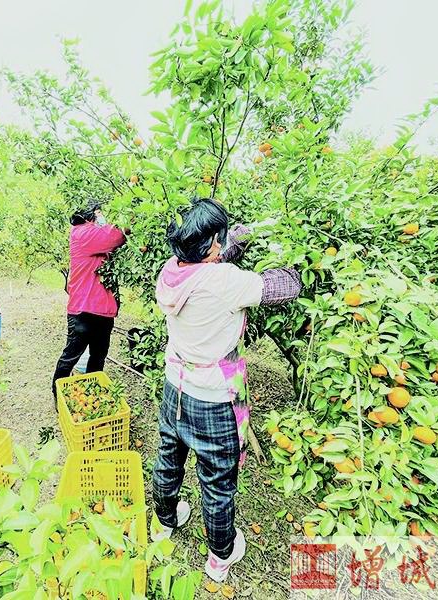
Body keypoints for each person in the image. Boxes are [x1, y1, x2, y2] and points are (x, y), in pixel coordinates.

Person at [151, 198, 302, 583]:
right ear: (213, 245)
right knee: (217, 482)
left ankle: (164, 522)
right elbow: (284, 286)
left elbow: (214, 261)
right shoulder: (224, 282)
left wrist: (243, 235)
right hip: (213, 399)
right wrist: (301, 258)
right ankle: (220, 557)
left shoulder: (171, 272)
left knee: (169, 458)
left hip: (175, 388)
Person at [52, 201, 126, 401]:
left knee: (98, 357)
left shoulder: (93, 235)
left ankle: (92, 394)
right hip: (84, 310)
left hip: (102, 310)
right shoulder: (82, 233)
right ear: (89, 215)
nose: (102, 217)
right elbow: (116, 235)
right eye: (99, 213)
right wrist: (128, 221)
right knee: (71, 356)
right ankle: (59, 396)